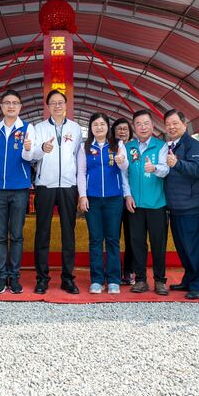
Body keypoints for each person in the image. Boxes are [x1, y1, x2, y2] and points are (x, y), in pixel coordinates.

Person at [28, 90, 83, 294]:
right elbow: (32, 155)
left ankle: (67, 278)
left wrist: (79, 187)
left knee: (68, 233)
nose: (57, 106)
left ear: (66, 105)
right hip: (45, 185)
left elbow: (78, 157)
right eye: (53, 103)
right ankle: (42, 278)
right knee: (43, 232)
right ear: (48, 106)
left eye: (60, 102)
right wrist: (42, 148)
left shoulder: (75, 128)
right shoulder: (39, 128)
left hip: (68, 186)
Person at [0, 89, 35, 295]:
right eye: (7, 103)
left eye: (15, 103)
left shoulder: (27, 128)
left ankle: (14, 276)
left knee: (17, 235)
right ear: (1, 106)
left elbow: (30, 158)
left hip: (20, 188)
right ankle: (1, 276)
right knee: (0, 235)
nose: (11, 106)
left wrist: (28, 148)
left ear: (20, 106)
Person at [77, 112, 130, 294]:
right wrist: (83, 196)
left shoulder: (118, 145)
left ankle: (114, 279)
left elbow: (125, 167)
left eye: (102, 124)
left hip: (114, 198)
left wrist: (121, 160)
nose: (99, 127)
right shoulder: (84, 147)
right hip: (92, 199)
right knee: (95, 239)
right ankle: (97, 279)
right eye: (95, 125)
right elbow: (81, 173)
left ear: (108, 127)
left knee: (113, 239)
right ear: (91, 128)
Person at [160, 109, 199, 300]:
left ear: (184, 125)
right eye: (168, 124)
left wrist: (177, 163)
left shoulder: (192, 144)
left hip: (191, 205)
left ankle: (198, 284)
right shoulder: (168, 146)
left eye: (175, 123)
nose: (171, 127)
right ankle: (188, 279)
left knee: (195, 246)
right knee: (182, 246)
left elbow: (198, 169)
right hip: (174, 205)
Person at [124, 109, 169, 296]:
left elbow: (166, 170)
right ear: (134, 127)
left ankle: (160, 280)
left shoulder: (161, 146)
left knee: (158, 243)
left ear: (152, 125)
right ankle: (141, 279)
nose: (143, 127)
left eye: (146, 123)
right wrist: (127, 195)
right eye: (139, 124)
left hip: (157, 203)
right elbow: (124, 174)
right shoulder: (128, 147)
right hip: (135, 204)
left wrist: (154, 168)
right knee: (137, 243)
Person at [112, 118, 137, 285]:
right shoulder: (110, 148)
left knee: (131, 236)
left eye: (125, 129)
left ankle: (129, 271)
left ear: (130, 132)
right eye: (119, 129)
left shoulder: (134, 149)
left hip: (132, 198)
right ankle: (114, 271)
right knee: (113, 236)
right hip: (114, 197)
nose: (122, 132)